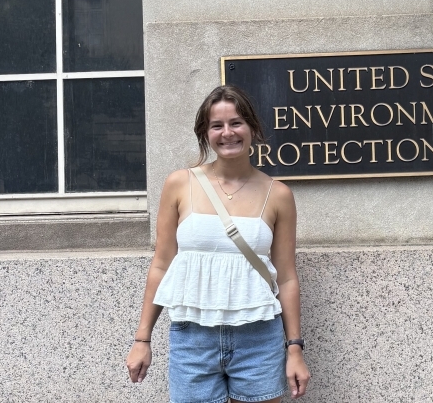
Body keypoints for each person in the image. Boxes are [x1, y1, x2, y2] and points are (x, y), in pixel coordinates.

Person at [126, 85, 311, 402]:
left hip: (259, 337)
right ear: (205, 132)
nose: (228, 133)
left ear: (252, 127)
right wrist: (142, 338)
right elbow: (161, 264)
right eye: (217, 125)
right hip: (192, 337)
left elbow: (286, 276)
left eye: (236, 122)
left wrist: (294, 348)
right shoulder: (179, 184)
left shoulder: (278, 194)